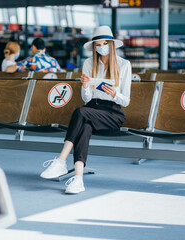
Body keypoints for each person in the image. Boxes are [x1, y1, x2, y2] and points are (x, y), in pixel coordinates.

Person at [40, 25, 132, 194]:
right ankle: (78, 179)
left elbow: (125, 101)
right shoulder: (89, 63)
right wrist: (85, 86)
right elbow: (87, 99)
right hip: (92, 108)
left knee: (80, 112)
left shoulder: (124, 65)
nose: (101, 47)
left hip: (112, 112)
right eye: (97, 44)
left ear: (111, 44)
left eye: (104, 43)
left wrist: (114, 94)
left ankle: (61, 160)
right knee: (85, 126)